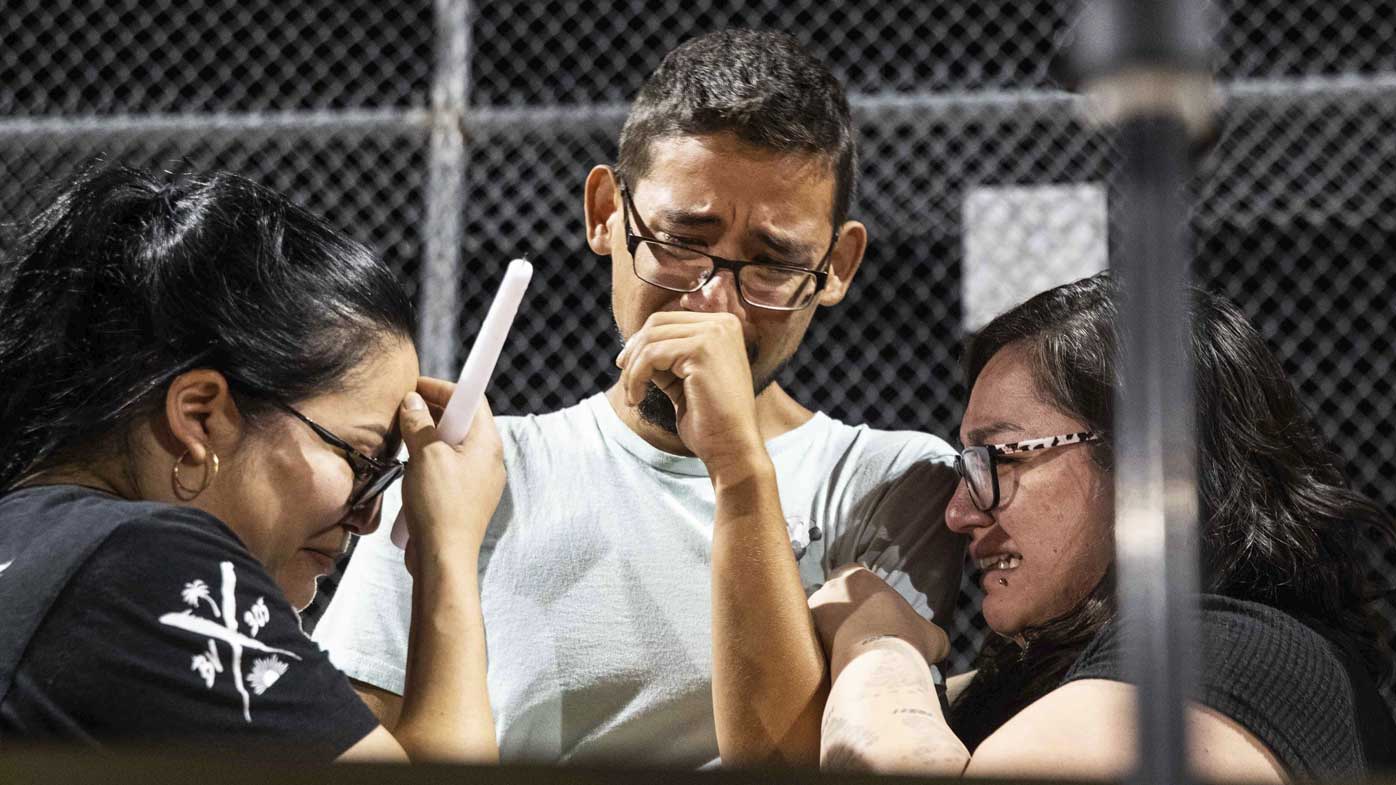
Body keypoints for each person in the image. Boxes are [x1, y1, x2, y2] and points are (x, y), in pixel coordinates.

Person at [314, 28, 964, 767]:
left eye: (775, 263)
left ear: (838, 264)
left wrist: (740, 472)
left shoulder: (891, 481)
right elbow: (358, 749)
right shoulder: (475, 470)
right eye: (684, 240)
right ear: (605, 214)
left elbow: (788, 765)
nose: (716, 307)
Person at [0, 166, 504, 762]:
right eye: (361, 457)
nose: (369, 517)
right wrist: (449, 549)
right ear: (202, 416)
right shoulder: (145, 563)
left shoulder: (33, 537)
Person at [810, 273, 1396, 780]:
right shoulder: (1056, 672)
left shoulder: (1235, 653)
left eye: (1002, 458)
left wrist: (876, 644)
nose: (960, 512)